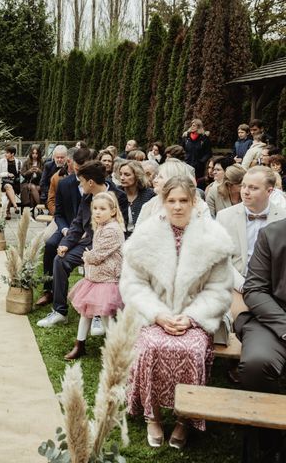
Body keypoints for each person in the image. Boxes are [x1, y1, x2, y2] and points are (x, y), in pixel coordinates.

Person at [121, 175, 233, 449]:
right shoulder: (144, 236)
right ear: (163, 202)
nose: (178, 206)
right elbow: (133, 285)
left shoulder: (214, 237)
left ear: (194, 202)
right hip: (154, 316)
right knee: (149, 347)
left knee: (192, 350)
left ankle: (184, 419)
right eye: (171, 200)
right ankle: (153, 416)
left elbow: (219, 289)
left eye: (184, 200)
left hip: (194, 317)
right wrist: (157, 314)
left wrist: (192, 316)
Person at [37, 161, 128, 328]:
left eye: (82, 181)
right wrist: (65, 243)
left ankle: (100, 314)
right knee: (60, 260)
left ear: (90, 182)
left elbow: (122, 227)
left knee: (100, 266)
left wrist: (98, 252)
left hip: (111, 247)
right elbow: (77, 224)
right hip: (88, 243)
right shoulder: (87, 196)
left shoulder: (118, 196)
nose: (80, 185)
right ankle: (59, 311)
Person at [235, 218, 286, 462]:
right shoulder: (272, 233)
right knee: (256, 363)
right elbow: (254, 289)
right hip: (273, 317)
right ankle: (270, 443)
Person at [216, 166, 286, 339]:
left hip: (273, 287)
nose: (245, 192)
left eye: (253, 188)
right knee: (247, 317)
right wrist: (243, 287)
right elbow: (221, 260)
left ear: (270, 191)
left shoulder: (283, 217)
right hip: (237, 285)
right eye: (244, 185)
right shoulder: (224, 216)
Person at [64, 192, 125, 360]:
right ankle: (79, 344)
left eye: (102, 209)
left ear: (113, 211)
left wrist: (87, 256)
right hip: (95, 278)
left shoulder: (112, 230)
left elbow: (97, 256)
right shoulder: (102, 226)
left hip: (107, 279)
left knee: (105, 315)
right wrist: (90, 256)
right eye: (95, 209)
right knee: (86, 312)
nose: (97, 212)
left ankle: (115, 349)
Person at [36, 148, 85, 307]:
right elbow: (55, 207)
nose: (64, 162)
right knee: (50, 244)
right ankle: (48, 290)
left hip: (86, 229)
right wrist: (63, 228)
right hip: (65, 224)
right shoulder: (59, 180)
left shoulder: (94, 183)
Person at [137, 159, 207, 225]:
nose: (154, 180)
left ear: (173, 179)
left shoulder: (199, 207)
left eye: (160, 177)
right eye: (156, 176)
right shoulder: (150, 205)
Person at [119, 161, 155, 238]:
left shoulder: (149, 195)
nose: (122, 178)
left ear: (137, 176)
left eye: (127, 175)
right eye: (120, 174)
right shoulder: (116, 194)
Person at [0, 146, 22, 219]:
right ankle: (15, 206)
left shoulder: (19, 162)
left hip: (16, 183)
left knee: (10, 190)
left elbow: (21, 175)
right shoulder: (2, 161)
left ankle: (7, 211)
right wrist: (7, 174)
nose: (5, 154)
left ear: (12, 154)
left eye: (7, 153)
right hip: (5, 182)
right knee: (8, 186)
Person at [19, 145, 43, 213]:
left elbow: (44, 175)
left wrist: (38, 171)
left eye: (36, 153)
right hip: (27, 183)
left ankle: (32, 210)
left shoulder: (41, 162)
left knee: (34, 190)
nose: (34, 155)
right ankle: (40, 208)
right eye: (33, 153)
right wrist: (29, 171)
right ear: (31, 154)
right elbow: (23, 174)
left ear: (39, 154)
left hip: (38, 183)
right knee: (32, 187)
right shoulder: (26, 162)